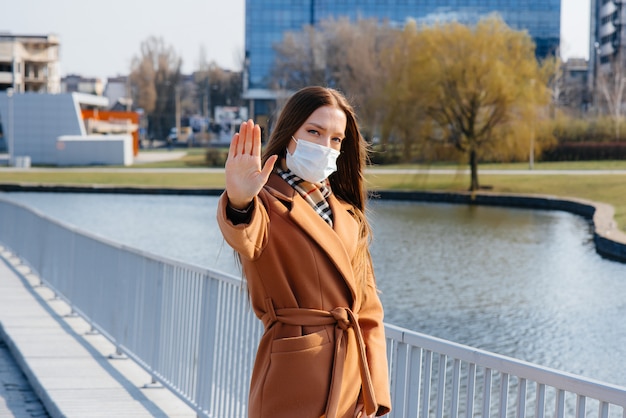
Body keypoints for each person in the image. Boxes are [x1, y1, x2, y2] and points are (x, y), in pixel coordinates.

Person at [216, 86, 391, 418]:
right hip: (293, 376)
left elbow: (368, 312)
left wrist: (374, 395)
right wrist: (239, 201)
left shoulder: (347, 214)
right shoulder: (264, 202)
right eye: (314, 132)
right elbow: (245, 235)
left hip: (349, 381)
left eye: (336, 139)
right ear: (290, 133)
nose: (325, 146)